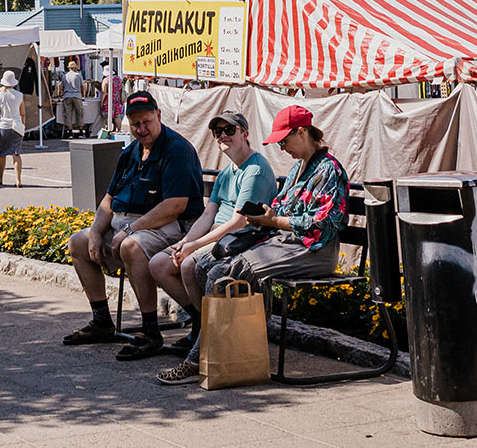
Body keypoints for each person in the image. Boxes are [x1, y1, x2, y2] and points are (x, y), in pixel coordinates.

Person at [158, 104, 349, 384]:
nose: (282, 147)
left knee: (222, 274)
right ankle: (222, 348)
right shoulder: (299, 167)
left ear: (303, 132)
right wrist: (265, 215)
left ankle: (199, 358)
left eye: (284, 140)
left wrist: (273, 221)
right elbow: (280, 207)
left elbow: (322, 225)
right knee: (203, 265)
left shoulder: (329, 169)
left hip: (313, 249)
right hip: (284, 242)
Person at [63, 91, 203, 360]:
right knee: (78, 242)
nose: (141, 129)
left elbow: (175, 205)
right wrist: (94, 232)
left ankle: (151, 333)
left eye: (146, 122)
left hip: (168, 225)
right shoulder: (131, 153)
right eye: (135, 124)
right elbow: (109, 198)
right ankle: (102, 321)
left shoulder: (177, 149)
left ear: (158, 116)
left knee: (132, 247)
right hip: (128, 223)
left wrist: (131, 229)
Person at [151, 111, 281, 385]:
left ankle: (203, 346)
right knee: (159, 264)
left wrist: (195, 245)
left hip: (241, 241)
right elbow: (208, 216)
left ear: (245, 133)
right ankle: (204, 325)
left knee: (189, 265)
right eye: (217, 131)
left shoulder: (255, 170)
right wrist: (185, 243)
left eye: (229, 130)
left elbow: (238, 222)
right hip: (217, 239)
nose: (223, 135)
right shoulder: (226, 172)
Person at [0, 70, 26, 186]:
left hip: (4, 125)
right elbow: (23, 114)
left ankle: (0, 178)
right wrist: (23, 125)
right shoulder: (19, 95)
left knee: (2, 154)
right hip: (16, 125)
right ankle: (18, 180)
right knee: (16, 154)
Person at [59, 59, 86, 136]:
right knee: (80, 113)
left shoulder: (65, 76)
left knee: (68, 114)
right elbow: (82, 87)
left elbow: (61, 87)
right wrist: (82, 94)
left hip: (67, 95)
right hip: (77, 95)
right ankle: (81, 131)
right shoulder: (78, 75)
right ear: (74, 68)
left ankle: (70, 132)